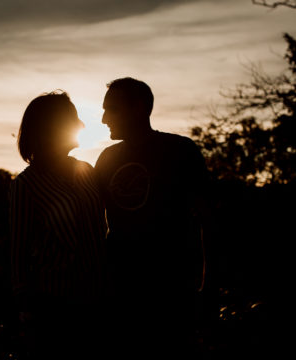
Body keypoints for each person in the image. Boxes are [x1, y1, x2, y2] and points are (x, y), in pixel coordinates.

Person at [95, 77, 211, 359]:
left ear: (139, 108)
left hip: (172, 291)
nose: (103, 118)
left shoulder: (180, 151)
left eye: (112, 109)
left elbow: (209, 220)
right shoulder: (106, 159)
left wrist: (208, 283)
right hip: (121, 294)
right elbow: (96, 224)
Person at [8, 91, 108, 360]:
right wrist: (26, 309)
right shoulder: (26, 186)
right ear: (52, 127)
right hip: (53, 309)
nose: (83, 126)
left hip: (97, 302)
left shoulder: (87, 171)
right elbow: (19, 253)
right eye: (74, 119)